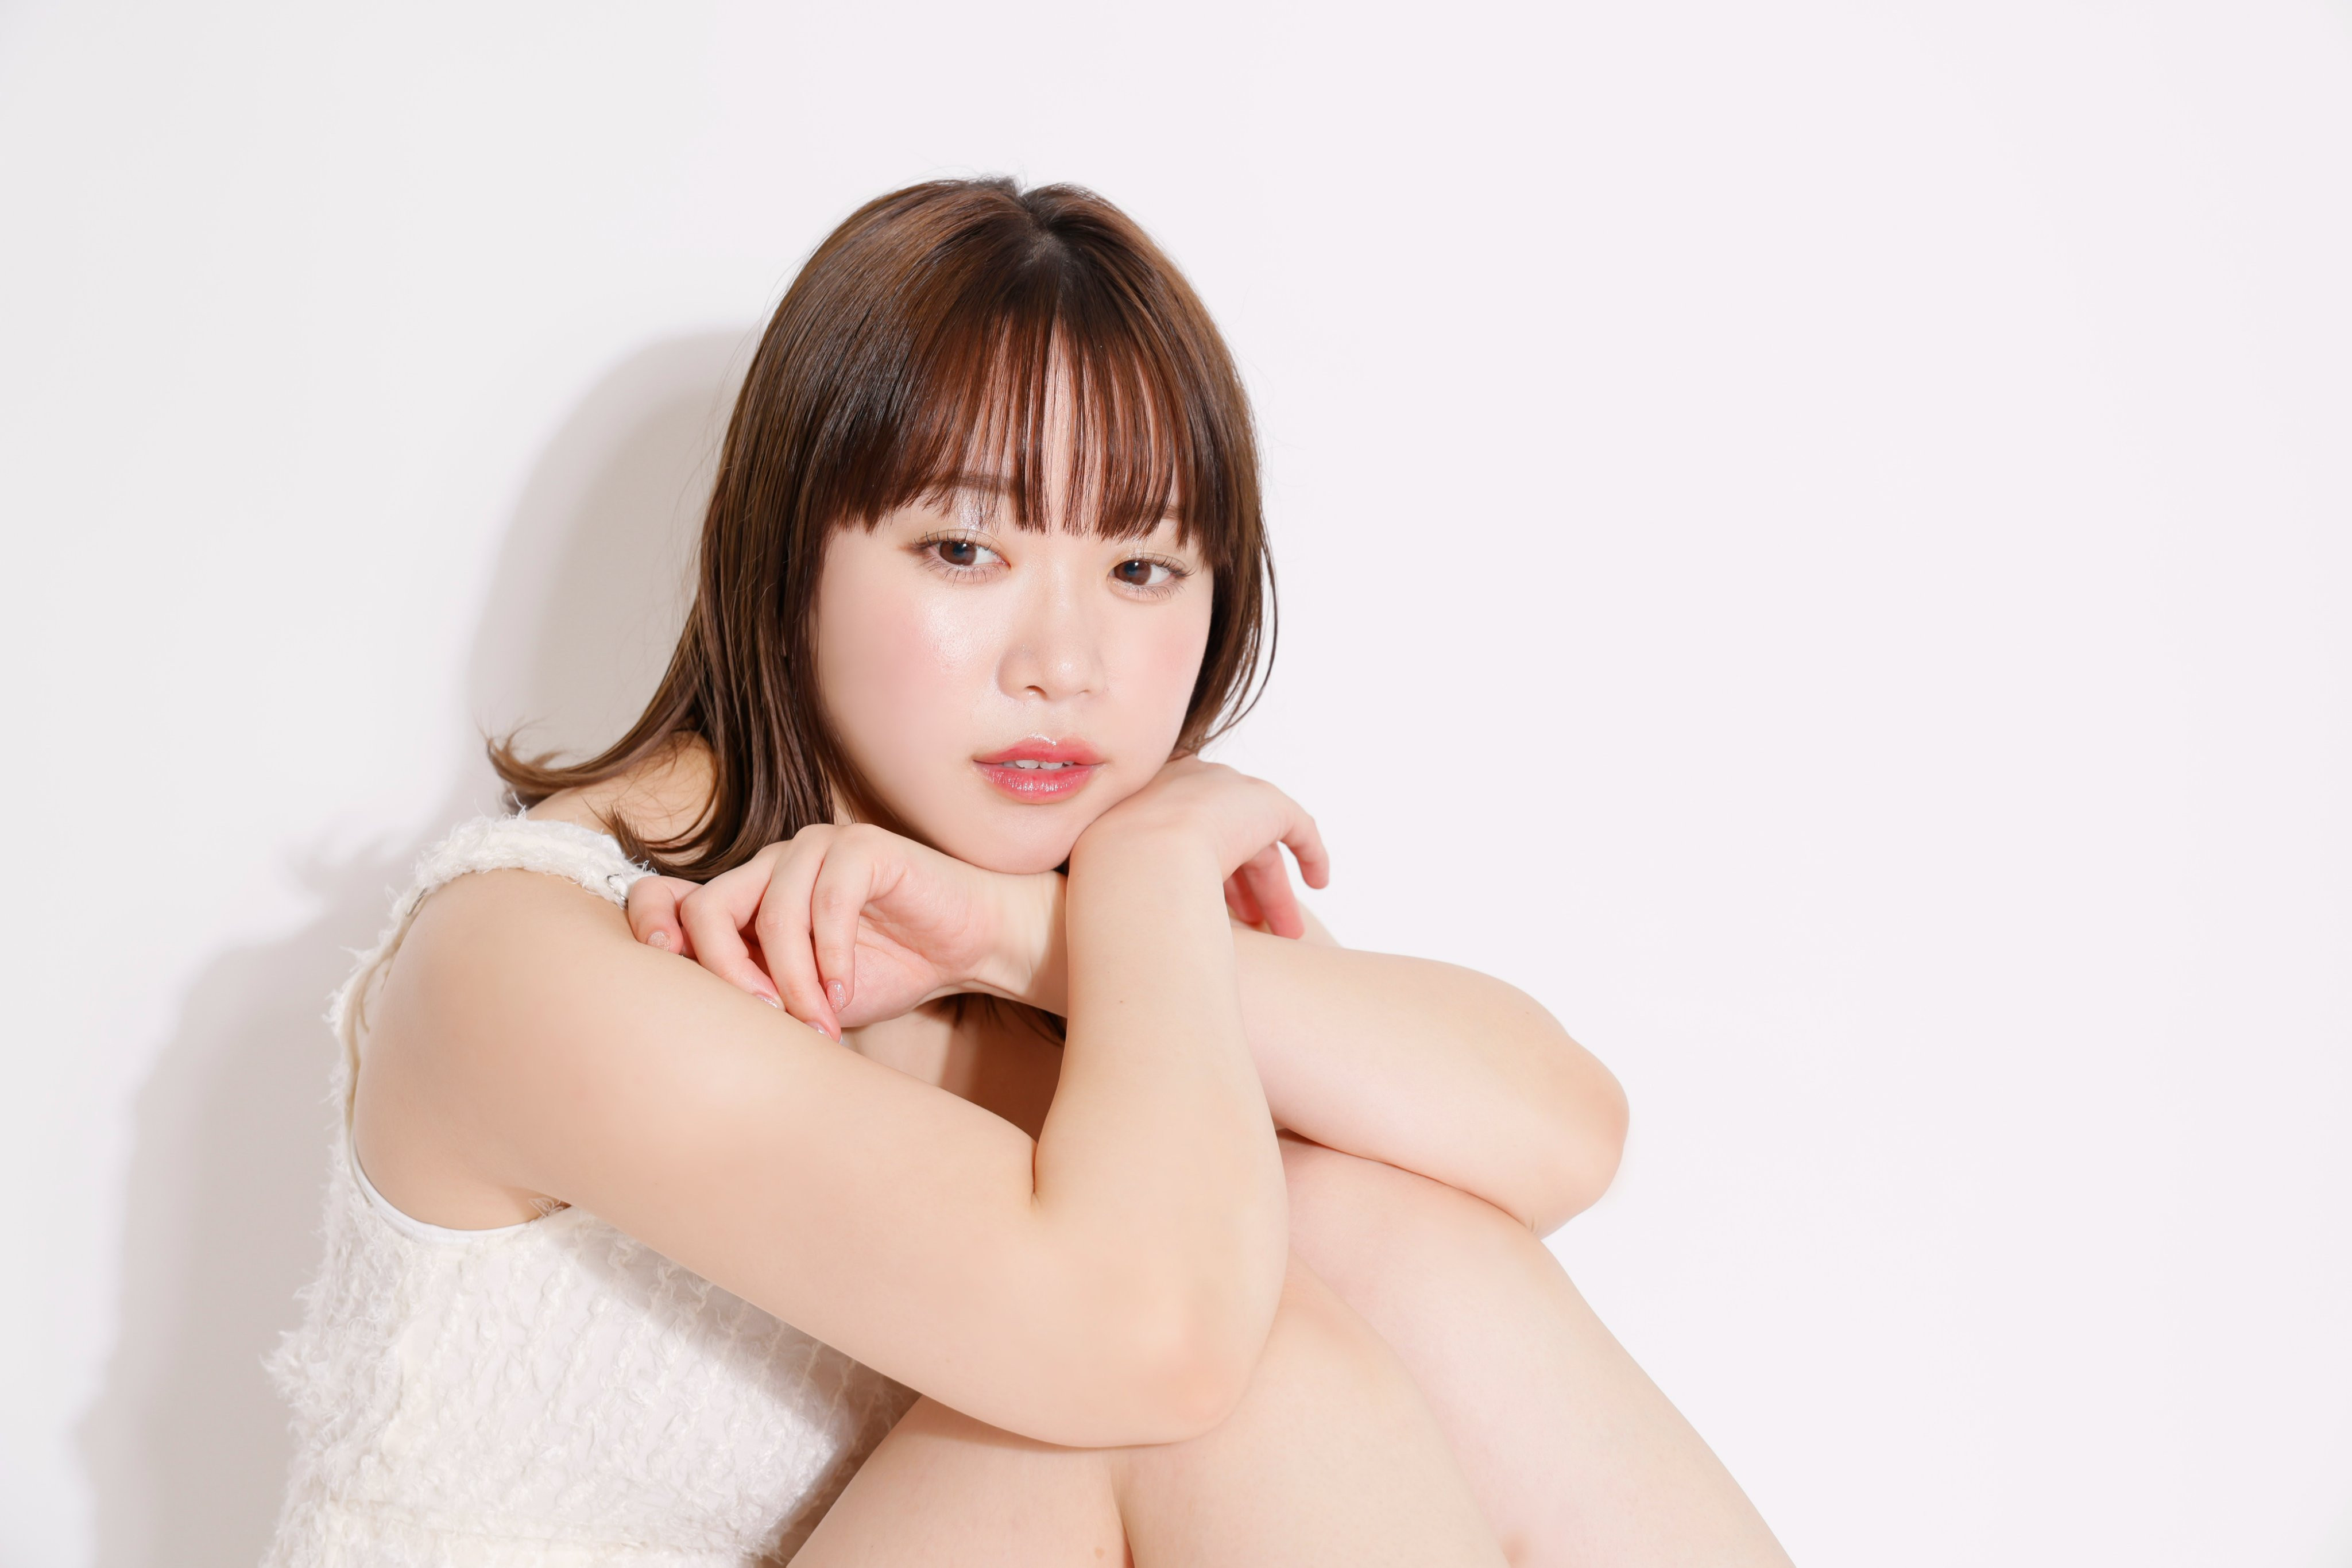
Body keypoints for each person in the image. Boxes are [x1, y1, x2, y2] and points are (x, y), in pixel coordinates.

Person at [262, 176, 1793, 1566]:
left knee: (1378, 1229)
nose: (1066, 663)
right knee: (1230, 1352)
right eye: (963, 550)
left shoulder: (1049, 919)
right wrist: (1153, 880)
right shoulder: (531, 954)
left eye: (1142, 567)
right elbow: (1154, 1339)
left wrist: (1031, 927)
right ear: (786, 557)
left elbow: (1555, 1133)